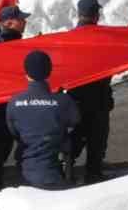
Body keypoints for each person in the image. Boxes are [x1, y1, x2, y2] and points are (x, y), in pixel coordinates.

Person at [5, 51, 79, 189]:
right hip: (55, 172)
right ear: (49, 72)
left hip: (26, 172)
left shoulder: (14, 102)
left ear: (26, 74)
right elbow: (74, 121)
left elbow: (14, 132)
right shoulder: (63, 100)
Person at [0, 6, 30, 193]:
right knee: (4, 145)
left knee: (6, 145)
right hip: (7, 103)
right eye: (21, 19)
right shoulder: (4, 43)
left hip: (10, 102)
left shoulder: (7, 41)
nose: (25, 22)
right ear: (9, 23)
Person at [66, 0, 113, 184]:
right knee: (97, 140)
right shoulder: (104, 38)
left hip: (75, 98)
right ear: (96, 15)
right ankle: (93, 174)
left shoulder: (68, 38)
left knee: (74, 139)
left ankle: (67, 173)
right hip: (99, 98)